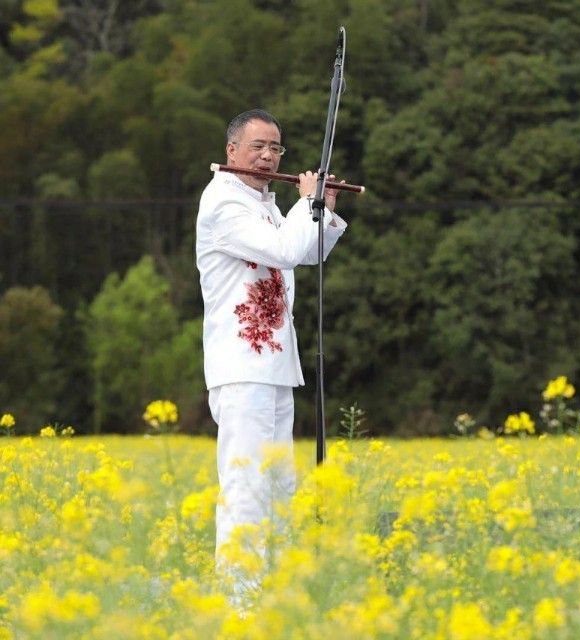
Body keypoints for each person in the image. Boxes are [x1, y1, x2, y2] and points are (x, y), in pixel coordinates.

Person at [196, 108, 347, 599]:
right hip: (242, 366)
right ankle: (239, 601)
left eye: (276, 148)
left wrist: (321, 210)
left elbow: (306, 252)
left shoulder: (265, 204)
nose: (267, 156)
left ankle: (277, 597)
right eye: (257, 146)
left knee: (279, 487)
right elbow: (283, 250)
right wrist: (306, 203)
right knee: (246, 486)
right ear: (232, 150)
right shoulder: (223, 202)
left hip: (277, 366)